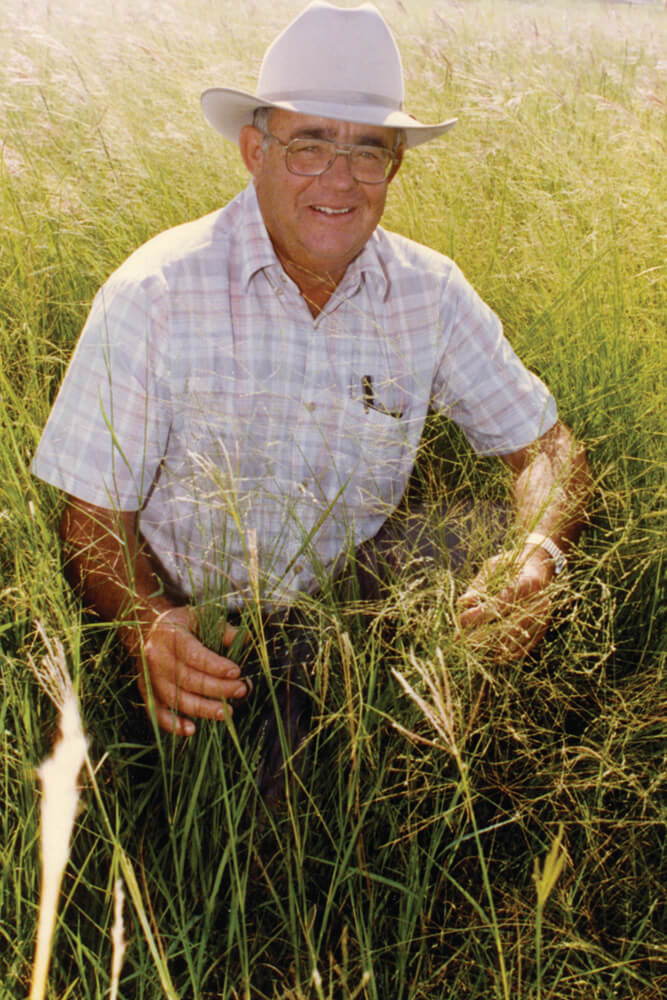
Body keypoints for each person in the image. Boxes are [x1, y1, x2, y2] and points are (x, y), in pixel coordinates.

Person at [32, 1, 589, 745]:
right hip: (209, 630)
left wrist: (536, 555)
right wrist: (146, 622)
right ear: (253, 150)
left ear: (395, 164)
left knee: (500, 554)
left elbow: (551, 451)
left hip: (352, 599)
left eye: (368, 152)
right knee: (277, 824)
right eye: (310, 146)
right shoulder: (157, 293)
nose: (341, 180)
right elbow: (91, 519)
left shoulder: (428, 292)